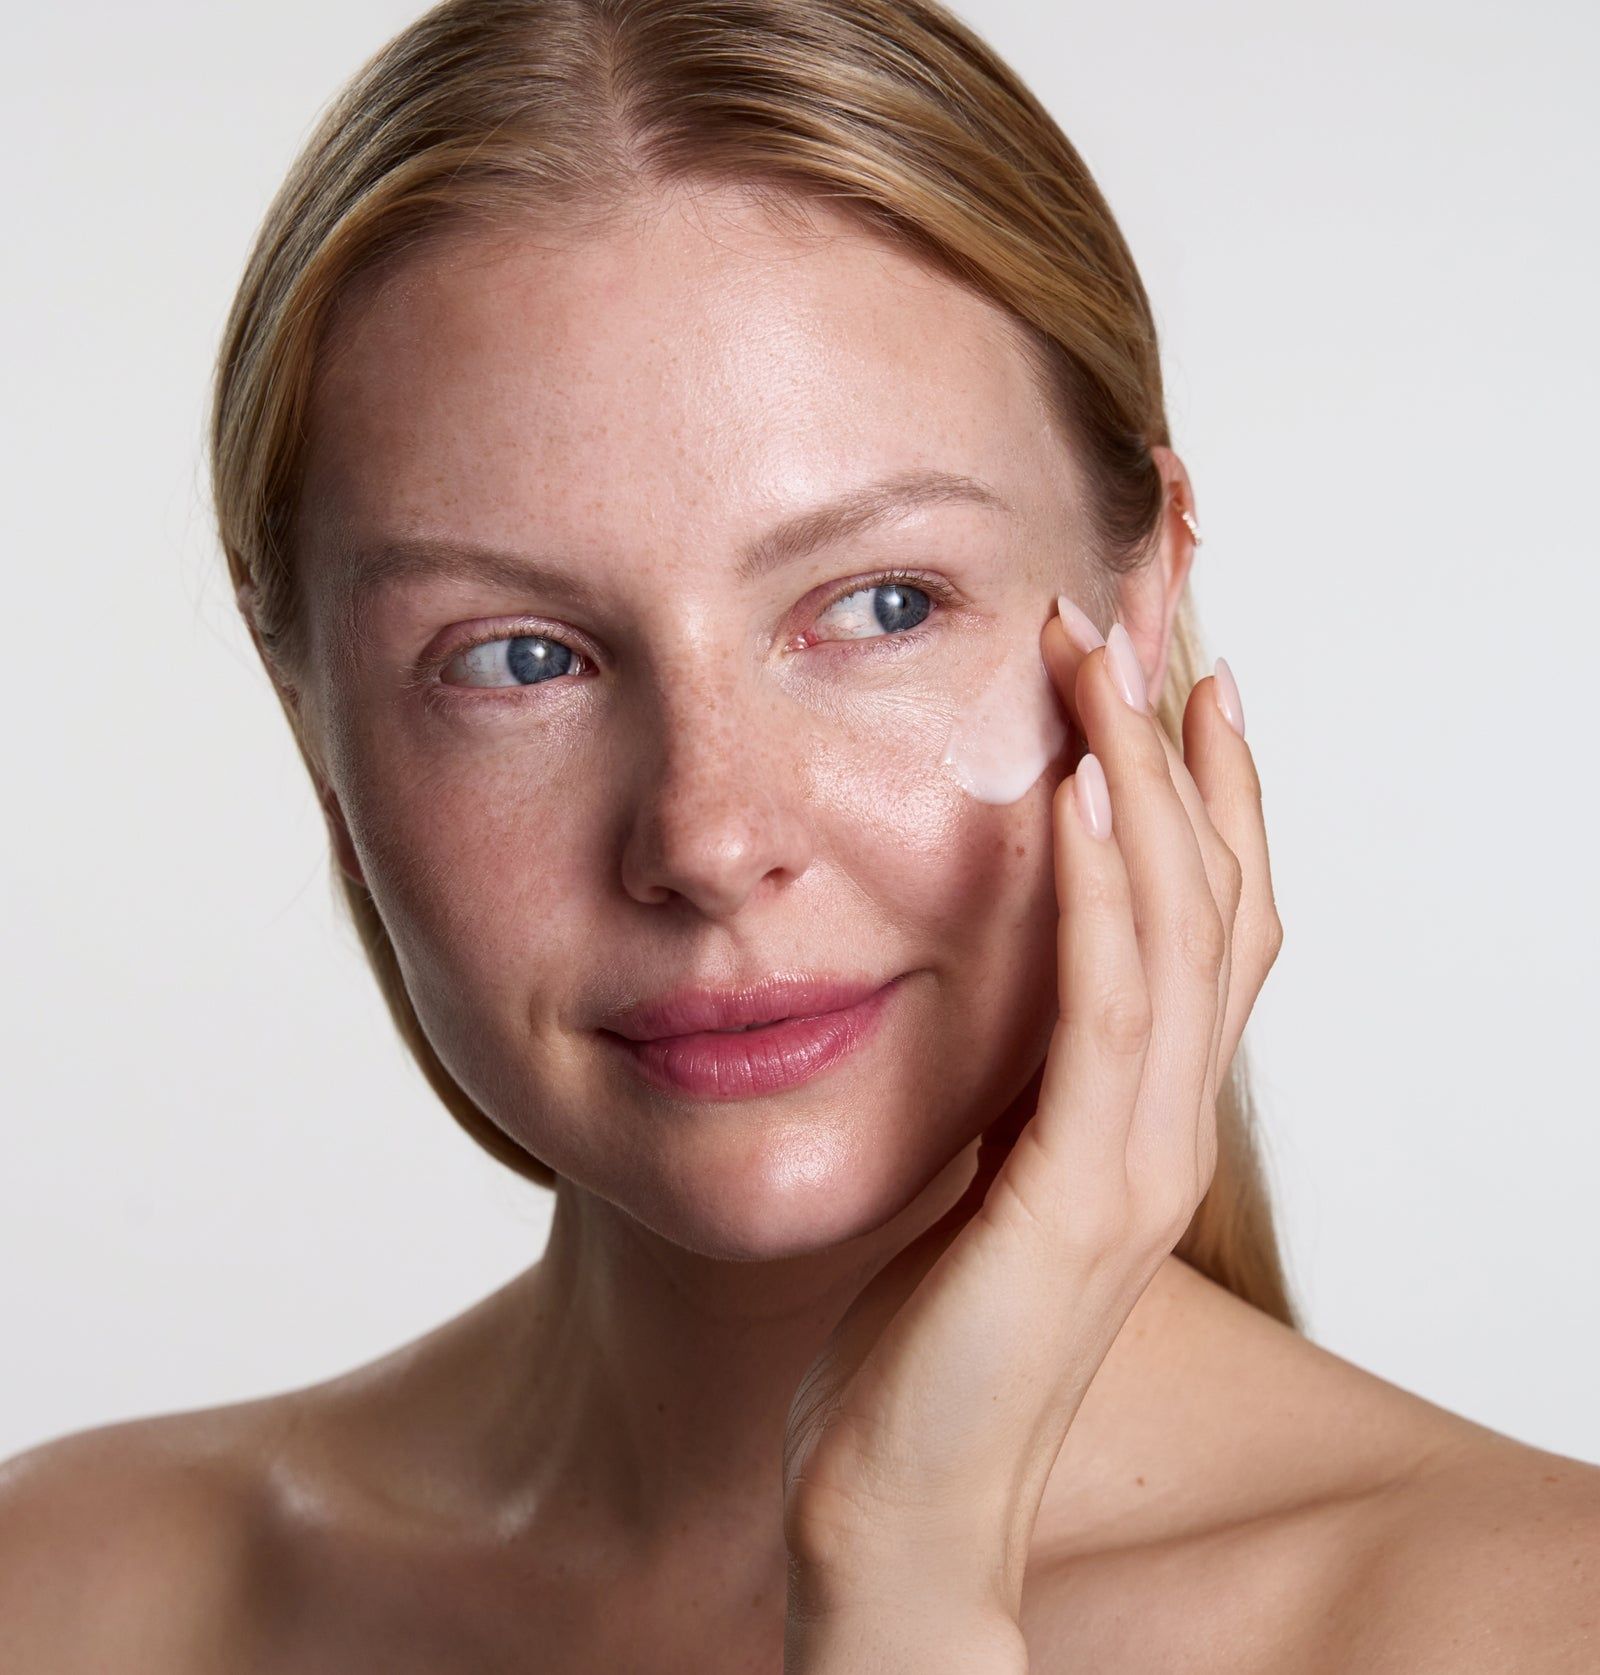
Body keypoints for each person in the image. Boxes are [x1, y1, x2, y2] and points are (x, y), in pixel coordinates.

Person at [3, 1, 1595, 1668]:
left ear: (1140, 608)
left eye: (883, 605)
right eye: (517, 659)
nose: (707, 834)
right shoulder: (66, 1596)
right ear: (309, 716)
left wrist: (906, 1582)